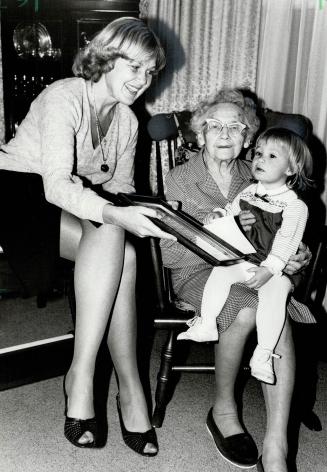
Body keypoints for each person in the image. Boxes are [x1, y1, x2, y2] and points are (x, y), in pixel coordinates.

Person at [0, 17, 176, 456]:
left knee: (125, 251)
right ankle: (95, 377)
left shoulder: (129, 121)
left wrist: (151, 210)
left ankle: (117, 383)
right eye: (133, 67)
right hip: (20, 192)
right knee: (115, 232)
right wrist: (116, 213)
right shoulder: (64, 96)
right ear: (105, 58)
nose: (143, 81)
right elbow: (55, 184)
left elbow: (116, 188)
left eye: (150, 71)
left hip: (69, 204)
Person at [160, 89, 314, 472]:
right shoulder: (180, 179)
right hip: (196, 273)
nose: (225, 133)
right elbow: (170, 251)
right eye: (215, 126)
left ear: (248, 138)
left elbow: (287, 225)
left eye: (236, 127)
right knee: (249, 307)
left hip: (256, 273)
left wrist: (298, 255)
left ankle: (277, 445)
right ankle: (223, 408)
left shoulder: (258, 174)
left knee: (270, 302)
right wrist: (228, 230)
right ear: (200, 133)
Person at [177, 127, 313, 385]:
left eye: (272, 156)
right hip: (245, 259)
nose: (260, 159)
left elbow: (286, 242)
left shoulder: (295, 206)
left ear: (291, 169)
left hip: (276, 267)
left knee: (274, 296)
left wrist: (271, 269)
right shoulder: (249, 191)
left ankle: (262, 354)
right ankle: (206, 324)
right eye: (259, 153)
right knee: (220, 272)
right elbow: (230, 211)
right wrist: (217, 215)